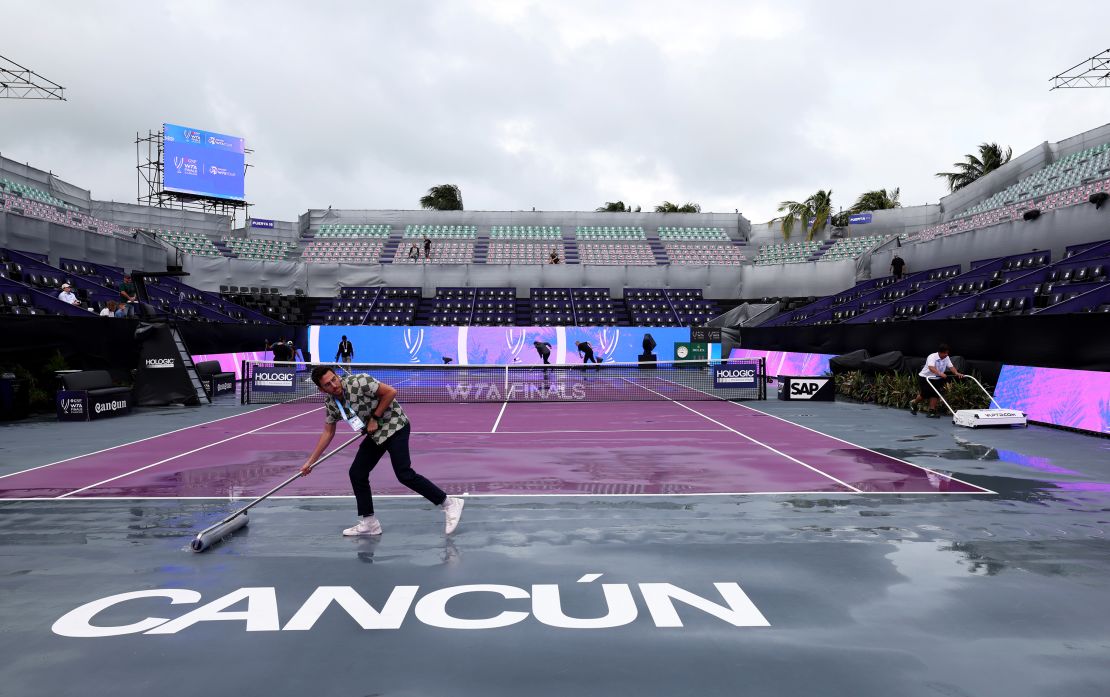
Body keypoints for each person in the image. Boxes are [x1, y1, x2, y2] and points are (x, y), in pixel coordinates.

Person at [299, 365, 464, 535]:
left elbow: (390, 392)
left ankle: (449, 503)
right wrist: (311, 462)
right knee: (357, 473)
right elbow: (328, 432)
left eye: (334, 379)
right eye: (327, 384)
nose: (334, 385)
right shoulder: (331, 403)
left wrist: (374, 418)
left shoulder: (358, 381)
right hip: (376, 434)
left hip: (395, 425)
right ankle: (369, 522)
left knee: (404, 474)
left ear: (337, 375)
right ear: (321, 389)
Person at [909, 343, 965, 418]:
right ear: (940, 352)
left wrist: (956, 373)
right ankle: (914, 403)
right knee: (925, 394)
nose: (946, 354)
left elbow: (951, 367)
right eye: (945, 353)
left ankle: (931, 411)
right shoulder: (932, 357)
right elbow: (931, 367)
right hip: (925, 377)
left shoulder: (946, 357)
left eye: (947, 353)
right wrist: (940, 373)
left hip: (936, 378)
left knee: (935, 393)